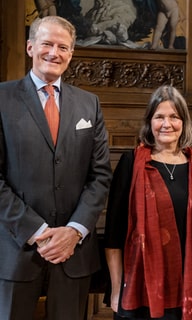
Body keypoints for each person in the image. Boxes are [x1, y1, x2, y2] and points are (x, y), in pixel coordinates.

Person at [0, 16, 113, 320]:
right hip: (16, 250)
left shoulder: (90, 104)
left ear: (71, 54)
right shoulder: (2, 98)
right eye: (47, 43)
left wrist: (74, 231)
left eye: (63, 47)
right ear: (30, 47)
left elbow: (100, 175)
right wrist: (37, 232)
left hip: (73, 252)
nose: (54, 52)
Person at [104, 85, 192, 320]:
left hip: (190, 289)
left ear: (184, 122)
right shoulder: (131, 163)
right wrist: (118, 289)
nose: (167, 124)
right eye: (159, 117)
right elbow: (113, 233)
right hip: (139, 290)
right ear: (149, 123)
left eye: (174, 117)